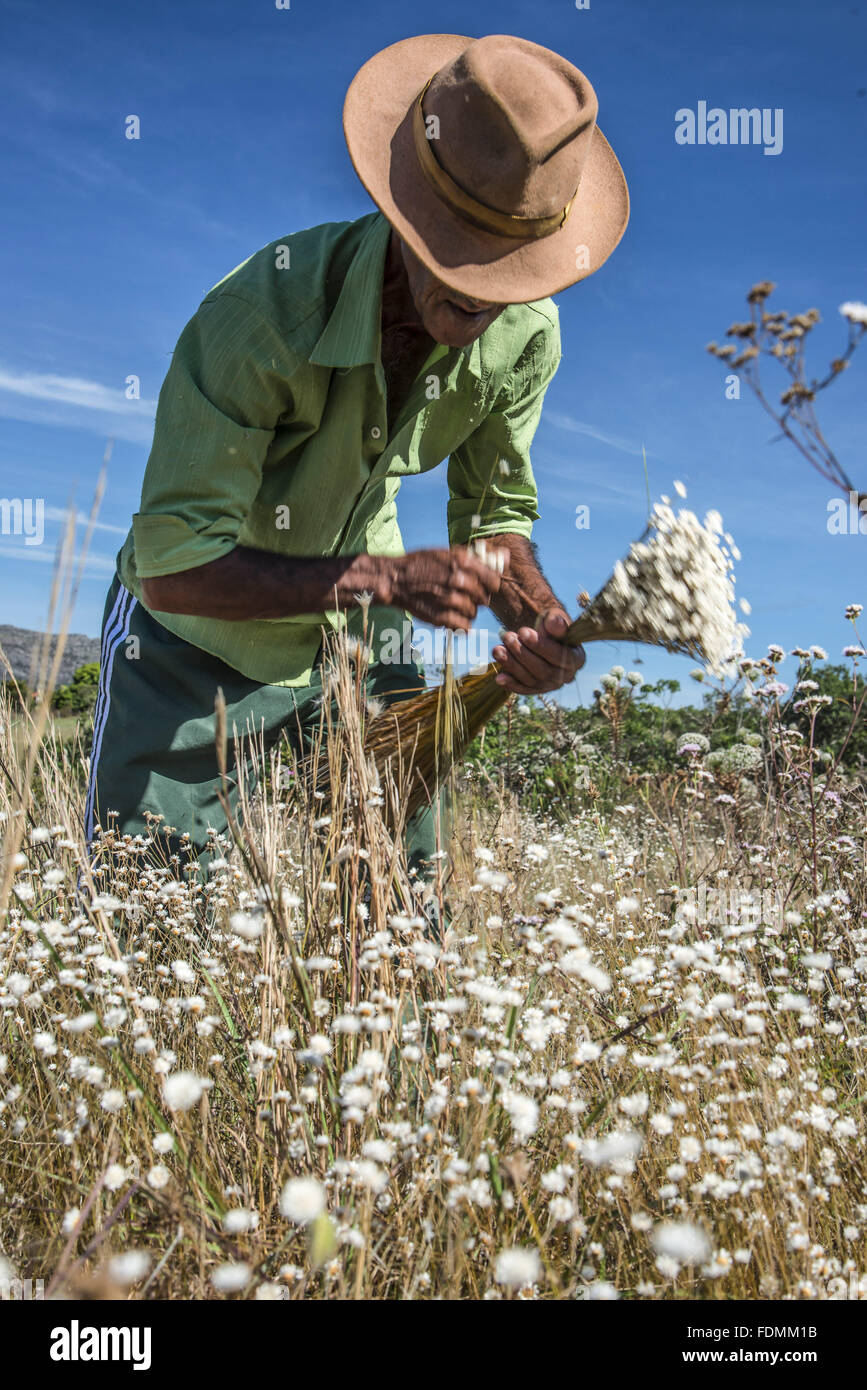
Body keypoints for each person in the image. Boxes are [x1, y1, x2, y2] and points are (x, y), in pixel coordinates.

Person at [85, 32, 629, 887]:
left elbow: (493, 518)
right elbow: (175, 568)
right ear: (404, 209)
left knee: (400, 902)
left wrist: (538, 620)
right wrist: (381, 578)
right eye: (457, 250)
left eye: (509, 269)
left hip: (358, 640)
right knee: (143, 900)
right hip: (191, 640)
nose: (483, 293)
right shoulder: (259, 317)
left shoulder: (528, 336)